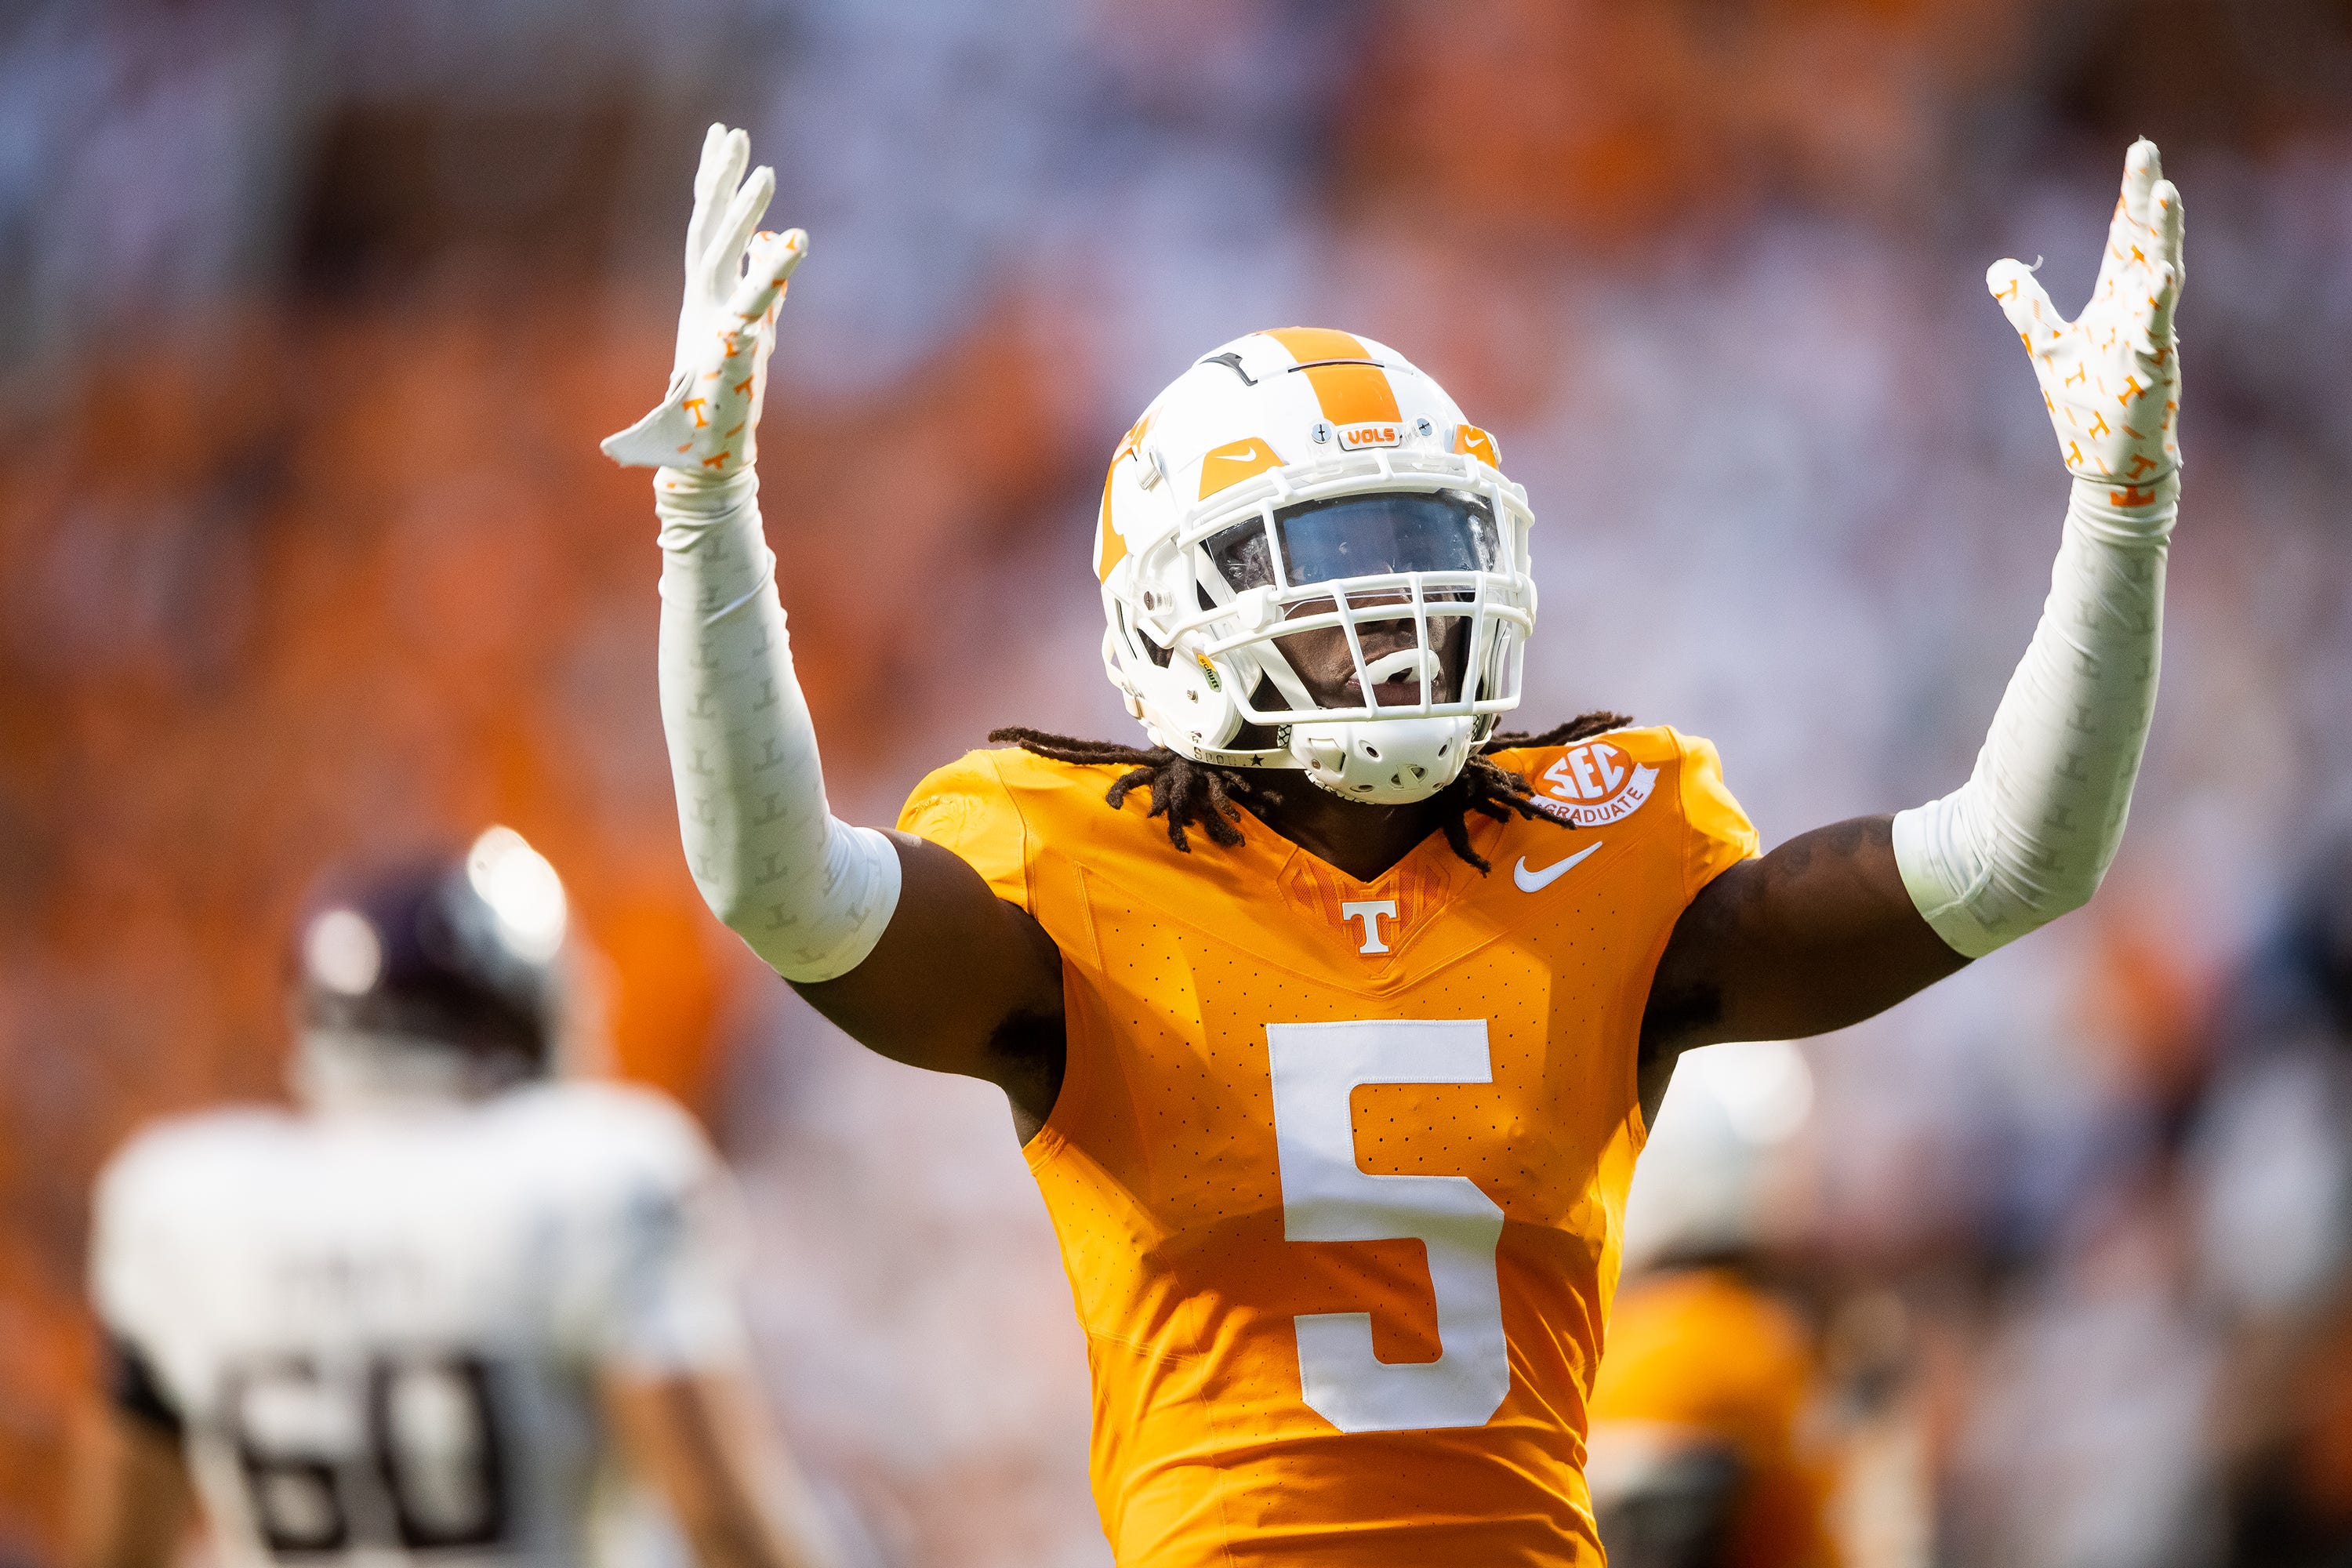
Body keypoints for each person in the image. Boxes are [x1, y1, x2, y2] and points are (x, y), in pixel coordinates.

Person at [603, 123, 2183, 1566]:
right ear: (1179, 610)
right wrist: (709, 513)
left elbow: (2015, 857)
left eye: (1434, 550)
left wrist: (2120, 519)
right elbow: (778, 885)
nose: (1404, 617)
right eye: (1335, 561)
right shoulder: (1073, 866)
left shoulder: (1600, 850)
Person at [73, 827, 840, 1568]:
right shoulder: (593, 1179)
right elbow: (719, 1521)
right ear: (517, 1013)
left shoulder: (187, 1201)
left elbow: (119, 1547)